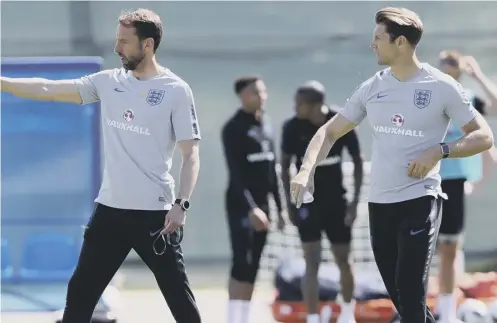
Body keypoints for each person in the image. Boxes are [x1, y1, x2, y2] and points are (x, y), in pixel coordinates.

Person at [290, 7, 494, 323]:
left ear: (399, 42)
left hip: (421, 199)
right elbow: (328, 131)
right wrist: (306, 169)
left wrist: (440, 151)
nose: (372, 44)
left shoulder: (441, 86)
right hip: (380, 205)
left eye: (378, 38)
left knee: (411, 292)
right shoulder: (373, 87)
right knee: (401, 297)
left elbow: (483, 136)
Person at [1, 9, 202, 323]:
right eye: (116, 40)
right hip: (110, 212)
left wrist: (182, 205)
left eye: (124, 41)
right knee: (80, 294)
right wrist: (3, 83)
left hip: (156, 216)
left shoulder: (176, 90)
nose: (116, 48)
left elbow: (191, 156)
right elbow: (47, 89)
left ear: (147, 45)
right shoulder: (107, 82)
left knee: (180, 300)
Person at [280, 81, 363, 323]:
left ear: (315, 105)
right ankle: (313, 318)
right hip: (307, 204)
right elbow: (285, 166)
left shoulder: (340, 122)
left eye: (299, 104)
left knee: (344, 260)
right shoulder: (292, 128)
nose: (295, 107)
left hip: (337, 203)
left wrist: (355, 203)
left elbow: (358, 161)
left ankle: (347, 314)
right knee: (311, 262)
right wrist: (289, 203)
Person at [436, 50, 497, 323]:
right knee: (424, 246)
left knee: (449, 247)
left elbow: (494, 107)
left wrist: (479, 75)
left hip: (453, 182)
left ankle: (446, 311)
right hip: (424, 179)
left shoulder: (469, 100)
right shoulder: (426, 96)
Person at [221, 75, 286, 323]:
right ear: (242, 96)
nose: (261, 97)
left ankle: (244, 317)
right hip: (242, 207)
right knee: (241, 262)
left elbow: (272, 172)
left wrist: (278, 209)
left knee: (255, 265)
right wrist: (252, 209)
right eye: (255, 93)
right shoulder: (233, 128)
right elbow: (236, 174)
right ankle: (233, 317)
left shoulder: (267, 125)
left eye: (263, 92)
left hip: (265, 206)